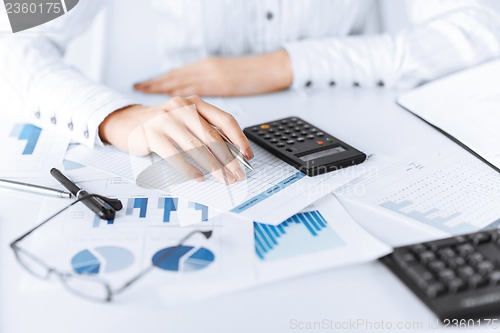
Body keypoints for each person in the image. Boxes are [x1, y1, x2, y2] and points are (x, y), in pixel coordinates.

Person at [1, 0, 499, 183]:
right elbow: (12, 33)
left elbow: (482, 22)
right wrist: (118, 116)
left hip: (356, 127)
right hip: (185, 127)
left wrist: (289, 64)